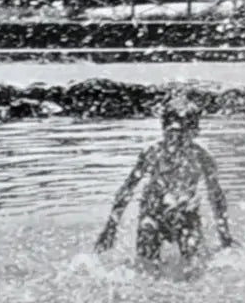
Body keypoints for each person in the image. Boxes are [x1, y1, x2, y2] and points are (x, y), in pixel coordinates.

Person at [95, 96, 236, 261]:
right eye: (171, 133)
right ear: (164, 130)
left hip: (186, 214)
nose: (176, 141)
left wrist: (224, 234)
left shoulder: (202, 156)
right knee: (146, 262)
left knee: (195, 265)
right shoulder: (152, 153)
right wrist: (110, 228)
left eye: (182, 134)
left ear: (195, 131)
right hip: (153, 213)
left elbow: (216, 196)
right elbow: (127, 189)